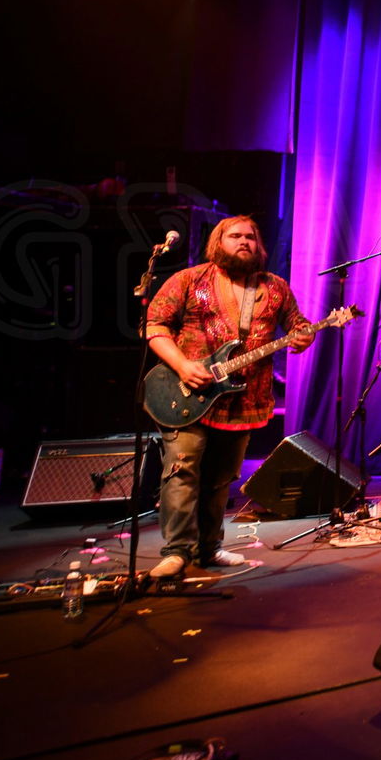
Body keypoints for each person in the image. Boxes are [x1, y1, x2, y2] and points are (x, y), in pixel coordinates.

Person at [144, 217, 316, 577]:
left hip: (242, 400)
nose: (243, 242)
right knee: (182, 469)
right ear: (217, 243)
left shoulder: (275, 287)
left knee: (221, 477)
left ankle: (209, 548)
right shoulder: (189, 279)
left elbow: (297, 323)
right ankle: (176, 552)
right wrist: (182, 365)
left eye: (250, 236)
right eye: (234, 236)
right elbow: (154, 324)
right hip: (187, 394)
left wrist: (305, 335)